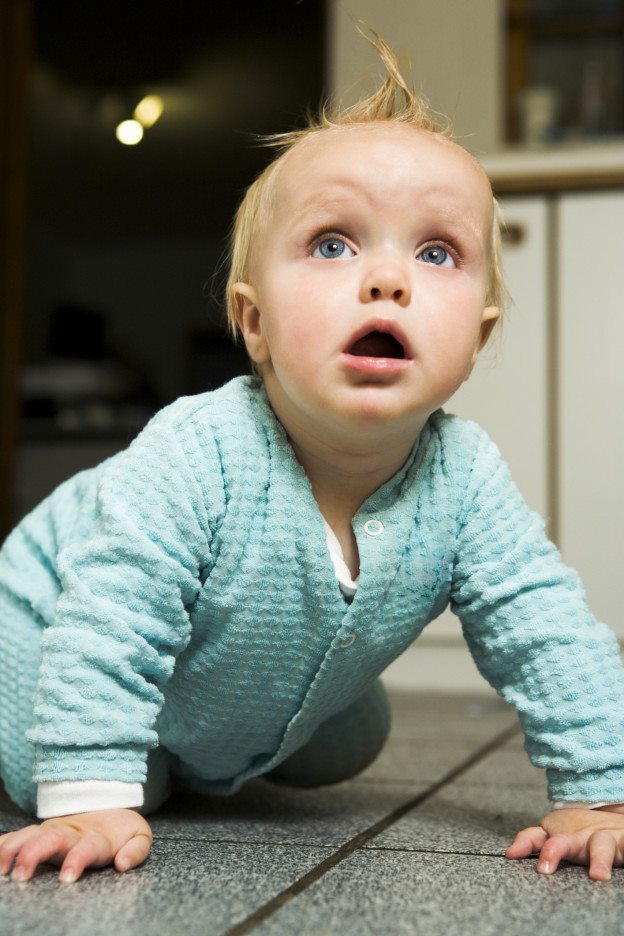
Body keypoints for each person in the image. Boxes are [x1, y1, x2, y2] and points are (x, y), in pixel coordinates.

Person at [1, 28, 624, 886]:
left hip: (220, 668)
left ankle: (193, 745)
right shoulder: (199, 449)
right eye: (334, 244)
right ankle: (146, 755)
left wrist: (601, 793)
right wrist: (88, 793)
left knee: (354, 738)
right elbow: (111, 617)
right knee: (100, 774)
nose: (387, 281)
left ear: (477, 340)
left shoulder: (467, 477)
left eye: (436, 253)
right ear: (254, 322)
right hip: (43, 618)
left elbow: (546, 627)